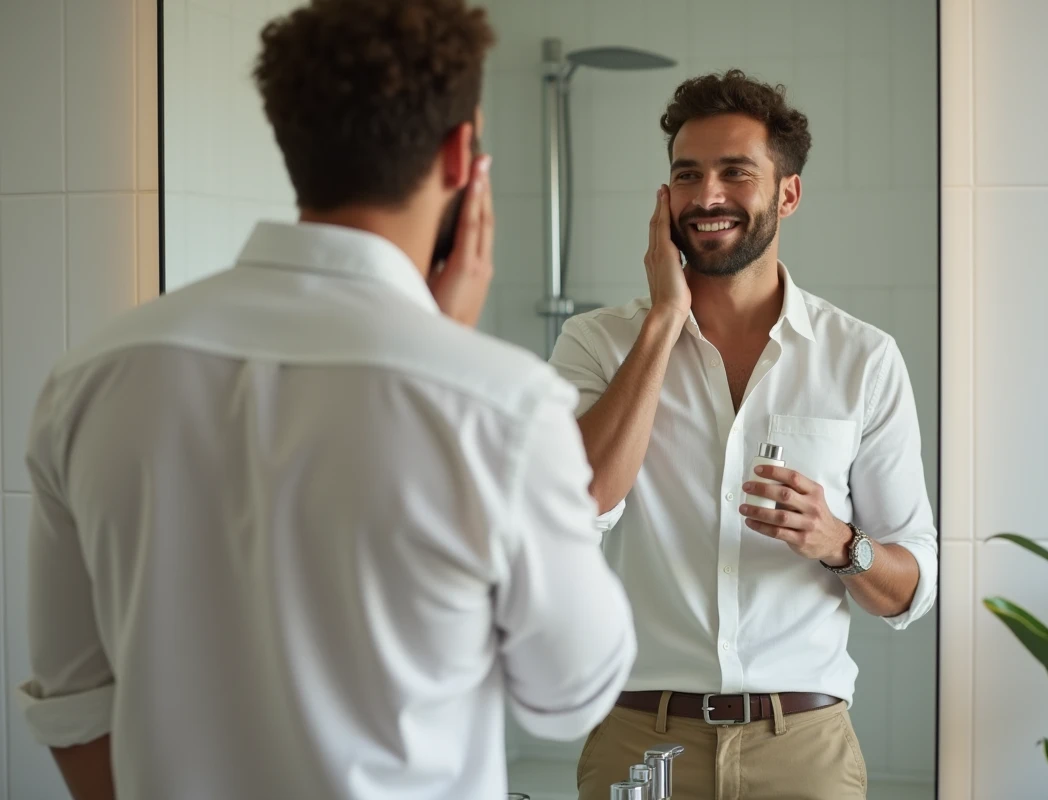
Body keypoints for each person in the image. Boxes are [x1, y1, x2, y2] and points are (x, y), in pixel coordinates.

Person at [16, 2, 635, 799]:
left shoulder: (92, 379)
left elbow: (71, 709)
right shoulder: (502, 407)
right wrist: (442, 353)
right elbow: (570, 696)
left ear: (290, 137)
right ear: (460, 155)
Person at [552, 70, 939, 800]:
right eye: (687, 174)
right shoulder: (597, 343)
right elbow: (576, 502)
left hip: (804, 749)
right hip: (642, 739)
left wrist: (840, 543)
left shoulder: (862, 358)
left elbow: (910, 590)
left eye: (736, 172)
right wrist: (663, 322)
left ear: (787, 194)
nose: (707, 196)